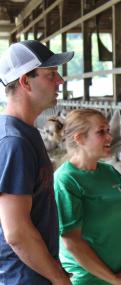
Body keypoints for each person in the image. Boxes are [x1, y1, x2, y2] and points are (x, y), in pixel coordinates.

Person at [0, 40, 74, 284]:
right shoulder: (14, 141)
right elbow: (17, 232)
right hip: (21, 277)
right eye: (51, 74)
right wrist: (58, 278)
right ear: (25, 81)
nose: (60, 81)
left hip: (33, 271)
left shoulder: (24, 132)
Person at [54, 108, 121, 285]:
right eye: (101, 132)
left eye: (108, 131)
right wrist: (113, 279)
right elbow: (71, 240)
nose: (110, 137)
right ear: (80, 138)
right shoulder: (66, 180)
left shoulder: (111, 172)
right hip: (89, 280)